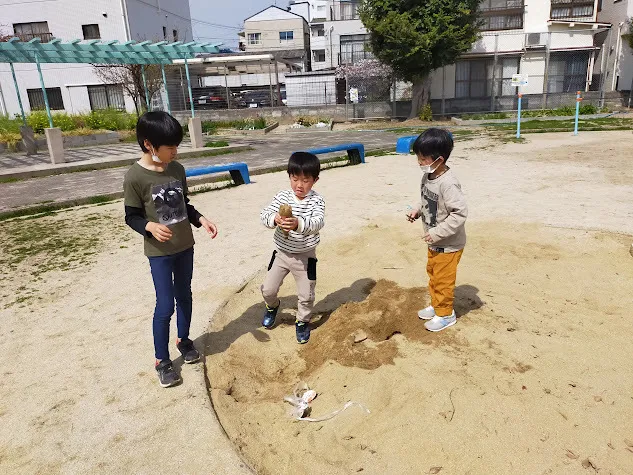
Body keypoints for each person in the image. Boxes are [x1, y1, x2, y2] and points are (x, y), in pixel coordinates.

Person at [123, 111, 218, 388]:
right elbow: (131, 216)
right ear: (149, 145)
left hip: (185, 246)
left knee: (184, 296)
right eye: (170, 147)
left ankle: (184, 340)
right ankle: (161, 360)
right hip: (160, 253)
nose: (176, 151)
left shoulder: (177, 169)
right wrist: (149, 227)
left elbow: (184, 205)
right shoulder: (135, 177)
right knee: (164, 305)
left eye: (178, 145)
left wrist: (201, 219)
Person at [260, 152, 325, 344]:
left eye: (305, 180)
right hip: (281, 253)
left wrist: (297, 223)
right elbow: (264, 214)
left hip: (305, 257)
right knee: (267, 290)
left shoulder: (316, 201)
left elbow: (317, 222)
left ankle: (302, 321)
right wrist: (274, 219)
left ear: (315, 180)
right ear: (289, 177)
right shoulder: (282, 197)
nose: (299, 185)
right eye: (295, 179)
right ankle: (272, 306)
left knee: (306, 295)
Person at [406, 128, 468, 332]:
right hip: (434, 241)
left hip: (448, 244)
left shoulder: (448, 184)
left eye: (423, 158)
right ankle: (436, 305)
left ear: (439, 159)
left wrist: (437, 233)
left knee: (443, 279)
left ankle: (446, 314)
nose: (419, 162)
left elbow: (459, 214)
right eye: (418, 157)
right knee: (433, 274)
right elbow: (426, 199)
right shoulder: (428, 176)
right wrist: (417, 210)